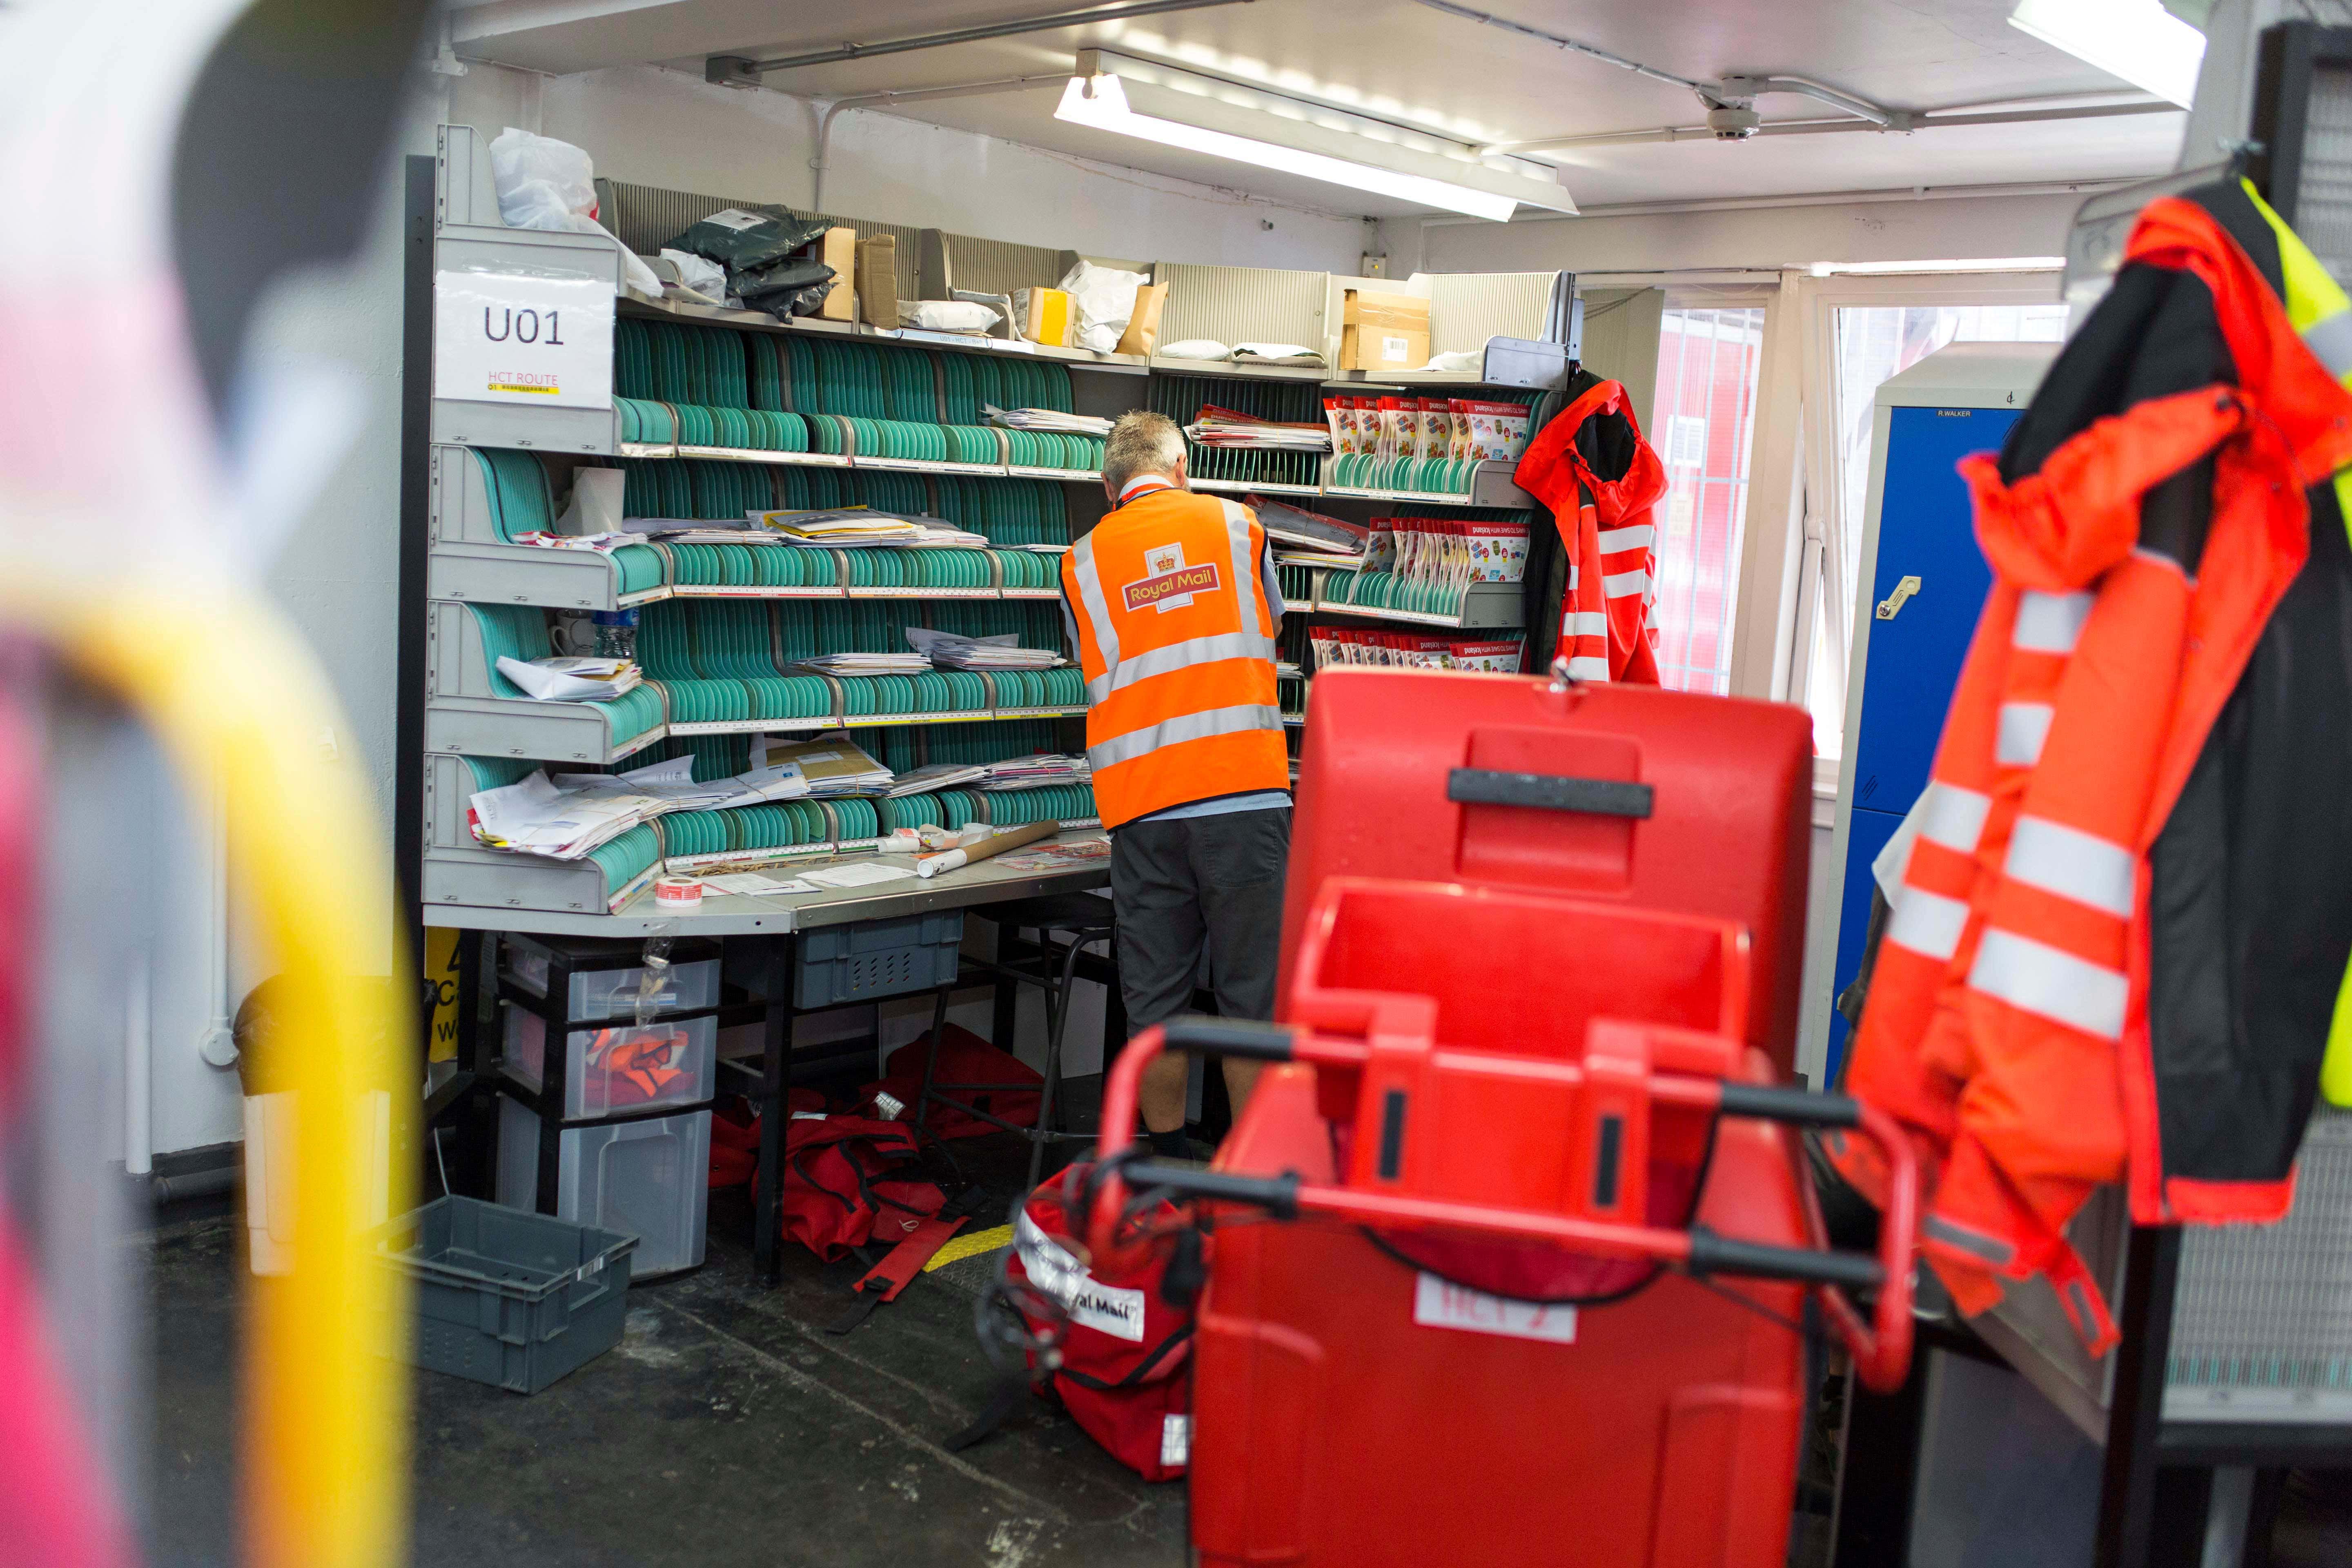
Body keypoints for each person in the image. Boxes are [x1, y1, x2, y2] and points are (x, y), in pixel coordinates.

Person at [1060, 410, 1292, 1158]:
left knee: (1154, 1006)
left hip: (1145, 807)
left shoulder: (1081, 561)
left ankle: (1162, 1167)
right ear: (1182, 471)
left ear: (1109, 486)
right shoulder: (1237, 527)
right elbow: (1271, 626)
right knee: (1251, 1003)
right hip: (1246, 799)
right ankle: (1247, 1177)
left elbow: (1090, 664)